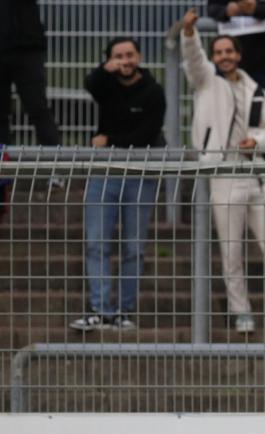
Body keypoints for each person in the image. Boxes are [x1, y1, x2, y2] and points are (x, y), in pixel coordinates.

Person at [181, 9, 265, 334]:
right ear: (214, 57)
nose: (224, 56)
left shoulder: (256, 89)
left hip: (256, 172)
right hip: (224, 172)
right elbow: (193, 60)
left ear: (238, 55)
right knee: (231, 249)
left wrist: (257, 141)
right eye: (219, 52)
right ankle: (241, 311)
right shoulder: (207, 81)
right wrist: (190, 34)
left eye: (229, 51)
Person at [69, 38, 166, 332]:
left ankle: (125, 310)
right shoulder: (106, 84)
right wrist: (104, 69)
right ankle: (100, 309)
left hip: (140, 174)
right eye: (118, 56)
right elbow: (91, 83)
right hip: (104, 173)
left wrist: (109, 141)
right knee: (97, 243)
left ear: (139, 57)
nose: (125, 60)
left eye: (130, 55)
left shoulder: (153, 91)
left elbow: (147, 134)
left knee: (134, 247)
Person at [207, 0, 265, 134]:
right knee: (223, 117)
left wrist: (256, 9)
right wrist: (227, 11)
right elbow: (212, 9)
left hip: (263, 62)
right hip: (228, 66)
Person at [0, 0, 62, 147]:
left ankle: (54, 156)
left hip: (28, 46)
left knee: (38, 108)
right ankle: (2, 158)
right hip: (25, 45)